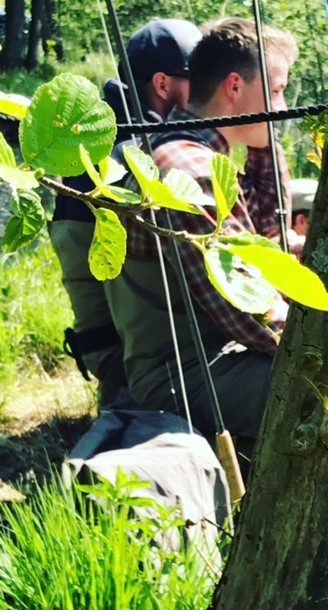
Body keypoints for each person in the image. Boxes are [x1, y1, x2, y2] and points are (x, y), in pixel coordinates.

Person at [105, 18, 299, 460]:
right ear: (235, 86)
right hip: (184, 372)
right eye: (277, 91)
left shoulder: (198, 151)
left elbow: (270, 237)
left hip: (220, 355)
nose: (284, 106)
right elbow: (252, 315)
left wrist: (266, 137)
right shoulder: (187, 171)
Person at [49, 19, 202, 408]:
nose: (206, 90)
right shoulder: (132, 155)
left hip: (109, 345)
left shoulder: (103, 136)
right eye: (197, 79)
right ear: (163, 84)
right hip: (128, 359)